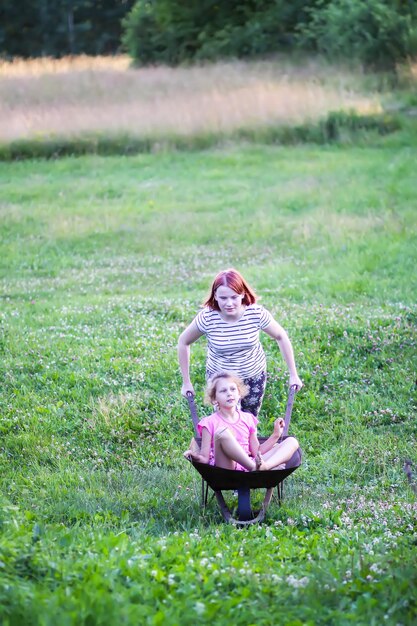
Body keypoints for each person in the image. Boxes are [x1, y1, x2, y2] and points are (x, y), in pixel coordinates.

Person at [178, 268, 302, 416]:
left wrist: (293, 374)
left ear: (242, 294)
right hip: (221, 380)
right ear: (215, 296)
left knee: (249, 420)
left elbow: (281, 336)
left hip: (253, 375)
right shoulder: (208, 317)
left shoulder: (255, 313)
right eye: (223, 298)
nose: (229, 303)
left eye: (234, 297)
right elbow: (183, 342)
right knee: (226, 422)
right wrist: (186, 382)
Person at [184, 372, 300, 471]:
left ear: (239, 394)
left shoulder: (248, 419)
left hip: (252, 463)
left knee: (292, 441)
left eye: (233, 389)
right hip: (227, 467)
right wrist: (195, 456)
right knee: (221, 433)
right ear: (214, 399)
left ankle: (265, 467)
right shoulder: (208, 423)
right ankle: (255, 468)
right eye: (223, 391)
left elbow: (257, 452)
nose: (229, 393)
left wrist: (275, 435)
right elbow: (204, 459)